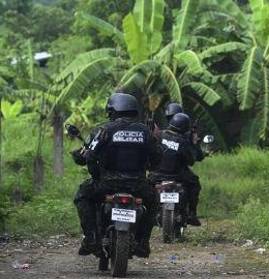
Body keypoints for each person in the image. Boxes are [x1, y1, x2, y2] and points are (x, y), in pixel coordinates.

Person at [72, 92, 161, 257]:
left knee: (82, 196)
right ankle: (143, 242)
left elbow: (89, 156)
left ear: (112, 110)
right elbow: (157, 159)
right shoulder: (145, 132)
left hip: (107, 184)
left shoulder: (103, 130)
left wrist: (97, 176)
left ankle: (91, 238)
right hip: (138, 185)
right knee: (155, 201)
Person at [158, 101, 205, 226]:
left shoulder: (159, 135)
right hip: (177, 174)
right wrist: (194, 144)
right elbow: (192, 160)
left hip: (157, 174)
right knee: (195, 183)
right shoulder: (184, 140)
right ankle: (192, 213)